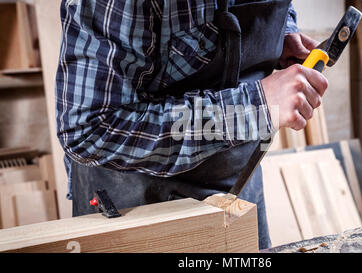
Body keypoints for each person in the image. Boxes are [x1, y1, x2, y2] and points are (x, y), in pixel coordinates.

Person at [55, 0, 328, 250]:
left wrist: (281, 32)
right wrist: (253, 108)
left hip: (238, 182)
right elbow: (90, 130)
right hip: (139, 202)